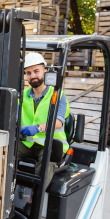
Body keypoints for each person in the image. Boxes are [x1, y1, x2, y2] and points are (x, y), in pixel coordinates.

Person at [18, 52, 70, 182]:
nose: (33, 76)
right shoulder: (21, 95)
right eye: (28, 73)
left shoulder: (58, 95)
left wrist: (38, 128)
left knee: (46, 162)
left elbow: (58, 122)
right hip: (27, 142)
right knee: (3, 153)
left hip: (51, 144)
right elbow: (12, 116)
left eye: (36, 71)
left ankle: (34, 198)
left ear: (45, 71)